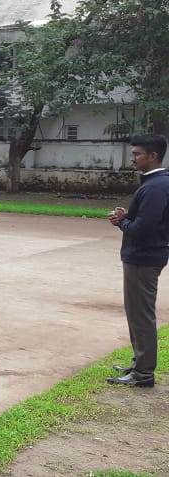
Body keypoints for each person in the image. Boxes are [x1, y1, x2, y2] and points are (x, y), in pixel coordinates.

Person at [106, 134, 169, 388]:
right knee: (137, 314)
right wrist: (128, 216)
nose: (133, 158)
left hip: (143, 258)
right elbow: (148, 220)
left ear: (152, 156)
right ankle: (139, 364)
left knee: (141, 316)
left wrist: (121, 222)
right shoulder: (156, 183)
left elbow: (143, 228)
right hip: (145, 255)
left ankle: (143, 373)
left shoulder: (155, 186)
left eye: (137, 154)